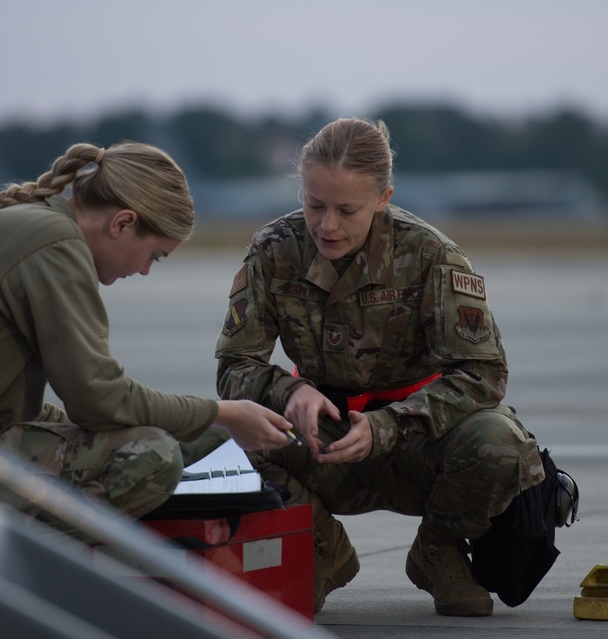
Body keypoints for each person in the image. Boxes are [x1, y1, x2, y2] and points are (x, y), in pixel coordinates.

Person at [0, 141, 293, 527]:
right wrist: (224, 411)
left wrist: (215, 425)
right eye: (154, 255)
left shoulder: (34, 224)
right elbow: (99, 399)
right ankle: (33, 574)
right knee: (150, 457)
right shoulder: (55, 246)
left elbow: (61, 408)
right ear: (122, 223)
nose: (145, 270)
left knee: (202, 438)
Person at [215, 118, 546, 616]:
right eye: (314, 205)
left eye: (347, 210)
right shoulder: (273, 250)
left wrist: (391, 425)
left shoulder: (431, 255)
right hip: (320, 438)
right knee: (225, 446)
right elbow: (234, 367)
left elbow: (484, 375)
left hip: (419, 442)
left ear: (383, 198)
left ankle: (438, 551)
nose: (327, 225)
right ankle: (322, 553)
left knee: (500, 443)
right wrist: (289, 393)